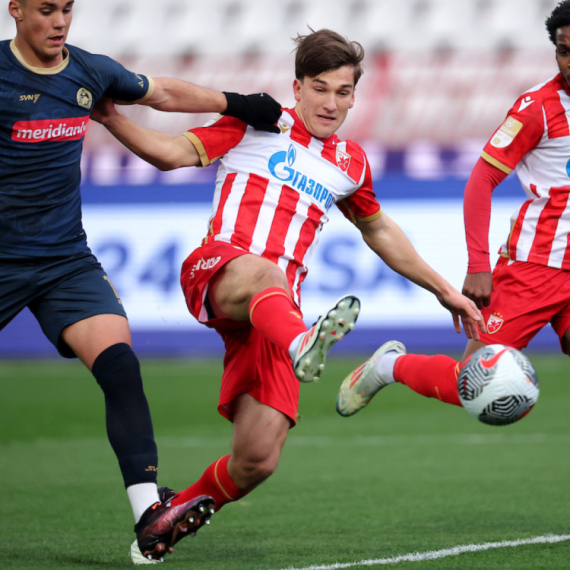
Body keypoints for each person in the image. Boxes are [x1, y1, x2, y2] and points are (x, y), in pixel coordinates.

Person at [92, 28, 484, 561]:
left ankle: (164, 523)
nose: (330, 103)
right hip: (220, 270)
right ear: (296, 87)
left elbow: (378, 229)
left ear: (355, 96)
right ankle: (303, 344)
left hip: (275, 314)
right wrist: (111, 117)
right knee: (266, 275)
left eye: (343, 92)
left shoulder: (351, 163)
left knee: (258, 459)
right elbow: (171, 153)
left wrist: (444, 290)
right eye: (319, 88)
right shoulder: (258, 123)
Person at [1, 0, 282, 563]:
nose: (59, 22)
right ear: (16, 10)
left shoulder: (88, 69)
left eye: (67, 10)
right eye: (46, 11)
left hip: (64, 261)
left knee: (121, 368)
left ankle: (150, 515)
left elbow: (162, 93)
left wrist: (237, 103)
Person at [336, 1, 570, 419]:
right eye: (564, 50)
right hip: (537, 265)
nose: (569, 61)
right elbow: (481, 180)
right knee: (472, 385)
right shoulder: (538, 108)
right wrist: (478, 264)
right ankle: (389, 366)